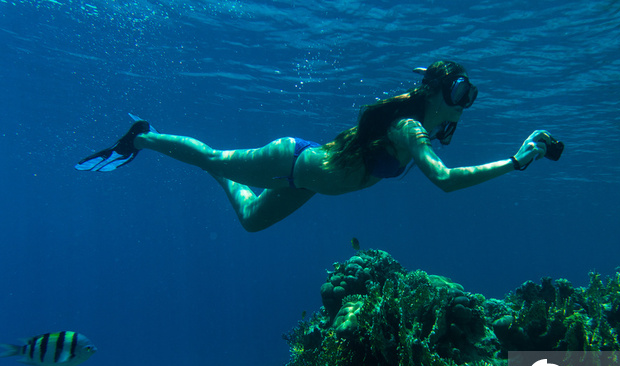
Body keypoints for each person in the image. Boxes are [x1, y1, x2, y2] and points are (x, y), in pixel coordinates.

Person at [76, 60, 555, 232]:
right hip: (294, 160)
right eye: (459, 94)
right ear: (434, 91)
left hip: (307, 179)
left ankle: (219, 174)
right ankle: (140, 135)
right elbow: (446, 181)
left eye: (469, 96)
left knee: (250, 222)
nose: (465, 104)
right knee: (212, 156)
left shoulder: (420, 128)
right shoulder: (411, 130)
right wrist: (515, 162)